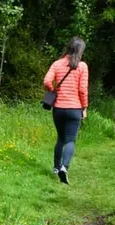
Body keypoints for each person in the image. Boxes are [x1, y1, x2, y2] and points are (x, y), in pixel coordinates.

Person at [44, 37, 89, 185]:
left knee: (60, 138)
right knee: (70, 140)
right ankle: (64, 167)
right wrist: (84, 107)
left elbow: (46, 81)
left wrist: (53, 90)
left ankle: (56, 168)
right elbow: (82, 89)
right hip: (74, 108)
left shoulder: (57, 64)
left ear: (68, 47)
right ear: (80, 50)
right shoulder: (82, 66)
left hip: (58, 108)